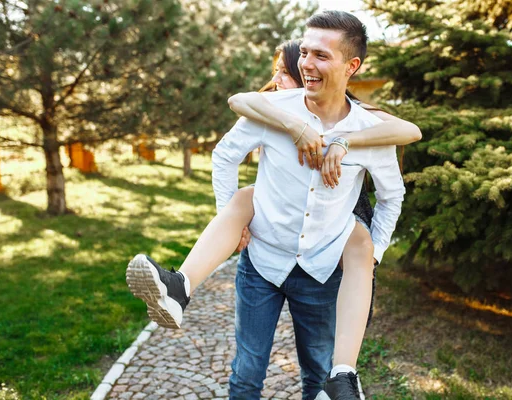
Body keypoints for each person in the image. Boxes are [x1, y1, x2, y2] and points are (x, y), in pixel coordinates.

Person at [126, 12, 417, 399]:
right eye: (306, 52)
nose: (307, 63)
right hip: (262, 262)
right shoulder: (273, 111)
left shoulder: (368, 130)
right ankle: (178, 288)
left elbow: (392, 195)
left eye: (322, 55)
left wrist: (377, 249)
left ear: (352, 66)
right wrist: (233, 222)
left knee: (319, 373)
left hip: (322, 269)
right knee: (246, 373)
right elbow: (225, 155)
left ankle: (344, 376)